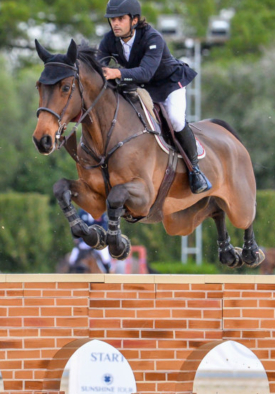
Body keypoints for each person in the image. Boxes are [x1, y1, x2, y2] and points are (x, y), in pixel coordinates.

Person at [96, 0, 210, 194]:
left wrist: (117, 73)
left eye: (120, 19)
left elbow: (146, 72)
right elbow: (98, 66)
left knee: (175, 119)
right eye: (112, 19)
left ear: (134, 20)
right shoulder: (109, 40)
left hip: (169, 83)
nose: (115, 23)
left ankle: (195, 170)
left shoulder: (152, 37)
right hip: (143, 87)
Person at [68, 208, 112, 273]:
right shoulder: (82, 212)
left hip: (98, 243)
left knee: (105, 258)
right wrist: (77, 239)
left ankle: (108, 273)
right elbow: (77, 227)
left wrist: (100, 238)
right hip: (84, 242)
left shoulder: (101, 212)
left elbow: (105, 227)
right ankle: (70, 274)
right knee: (72, 259)